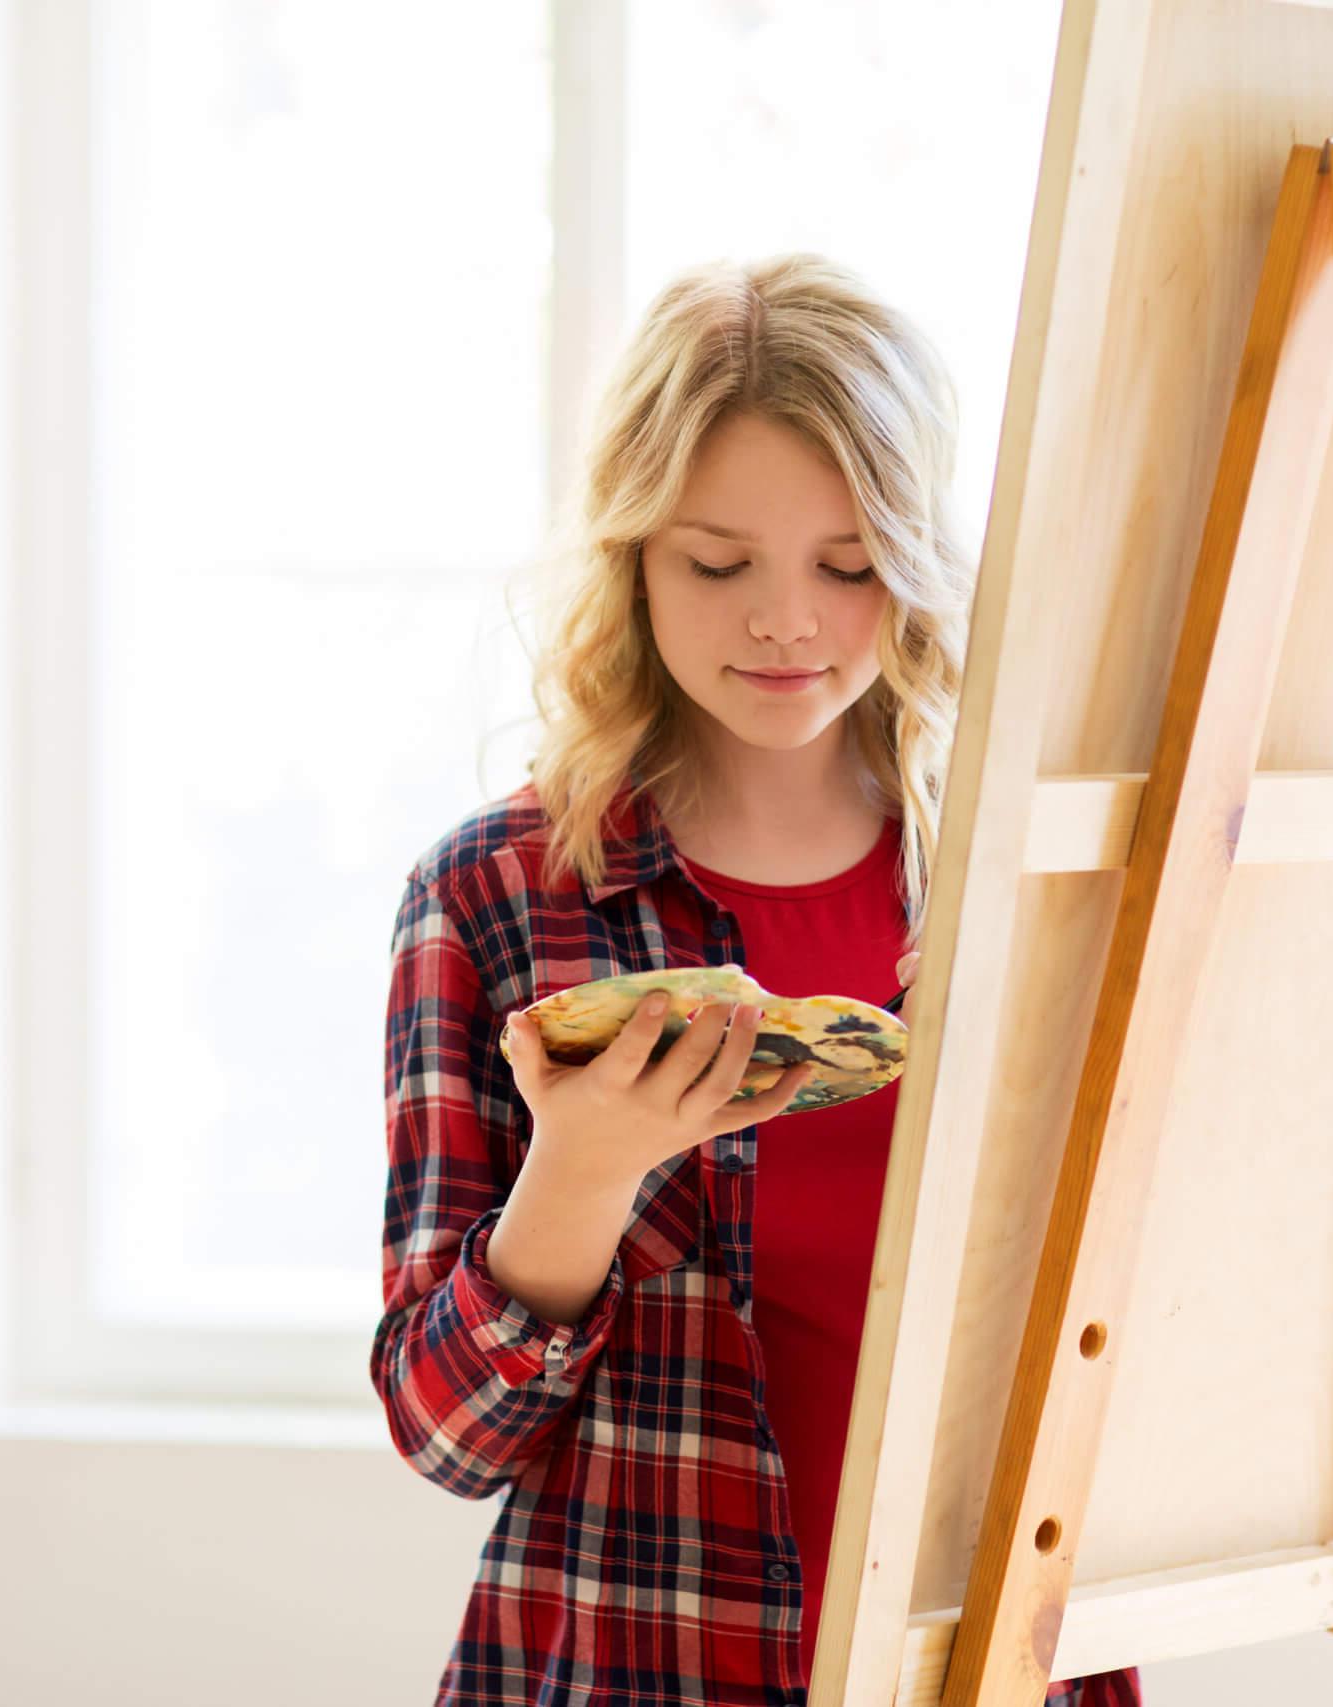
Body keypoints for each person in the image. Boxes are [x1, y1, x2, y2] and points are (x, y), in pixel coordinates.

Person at [374, 252, 1142, 1707]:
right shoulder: (496, 902)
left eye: (847, 564)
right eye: (717, 565)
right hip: (639, 1664)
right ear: (633, 563)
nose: (784, 620)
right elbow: (445, 1437)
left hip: (991, 1663)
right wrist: (581, 1175)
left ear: (915, 560)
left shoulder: (1042, 878)